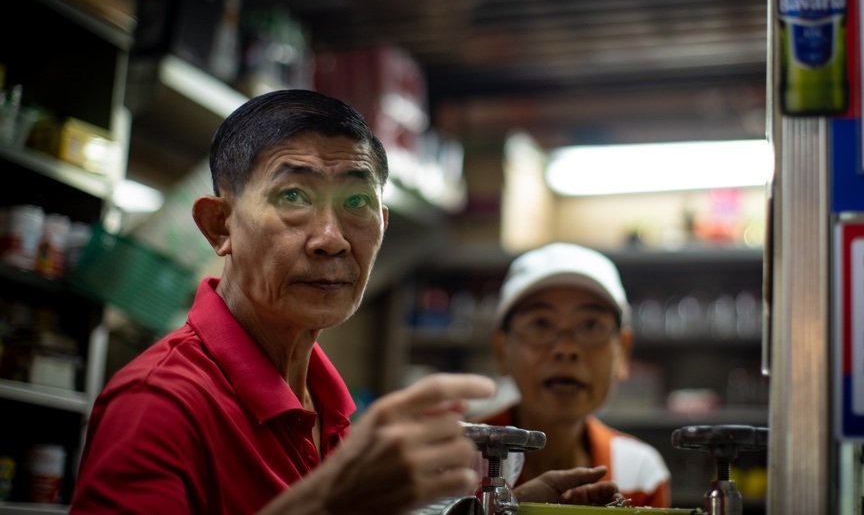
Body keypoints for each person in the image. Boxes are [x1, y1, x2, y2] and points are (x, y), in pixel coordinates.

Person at [71, 90, 619, 514]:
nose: (331, 238)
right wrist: (332, 501)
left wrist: (501, 508)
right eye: (293, 196)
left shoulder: (327, 408)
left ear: (382, 223)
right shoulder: (157, 406)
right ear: (220, 226)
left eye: (357, 201)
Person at [475, 242, 672, 508]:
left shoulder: (639, 472)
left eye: (591, 325)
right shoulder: (453, 461)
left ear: (623, 351)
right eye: (541, 323)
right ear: (502, 350)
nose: (566, 349)